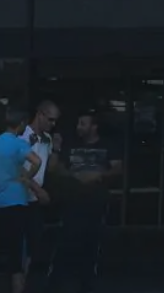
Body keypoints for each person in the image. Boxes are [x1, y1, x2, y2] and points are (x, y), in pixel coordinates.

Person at [46, 111, 122, 292]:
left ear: (94, 127)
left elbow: (118, 168)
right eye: (78, 123)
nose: (78, 127)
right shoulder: (71, 145)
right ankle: (56, 281)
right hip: (72, 199)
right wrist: (75, 176)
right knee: (66, 240)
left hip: (96, 200)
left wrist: (98, 175)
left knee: (91, 242)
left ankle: (87, 282)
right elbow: (57, 168)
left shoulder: (107, 145)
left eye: (83, 123)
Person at [0, 111, 46, 293]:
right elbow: (37, 161)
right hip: (16, 202)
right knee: (15, 256)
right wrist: (27, 178)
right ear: (22, 124)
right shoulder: (19, 143)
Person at [20, 101, 60, 277]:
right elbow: (18, 169)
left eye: (55, 121)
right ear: (40, 114)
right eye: (50, 119)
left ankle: (27, 281)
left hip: (35, 200)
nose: (53, 124)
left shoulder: (48, 139)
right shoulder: (21, 136)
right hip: (20, 196)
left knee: (34, 243)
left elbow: (50, 168)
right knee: (18, 244)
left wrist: (57, 148)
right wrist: (38, 190)